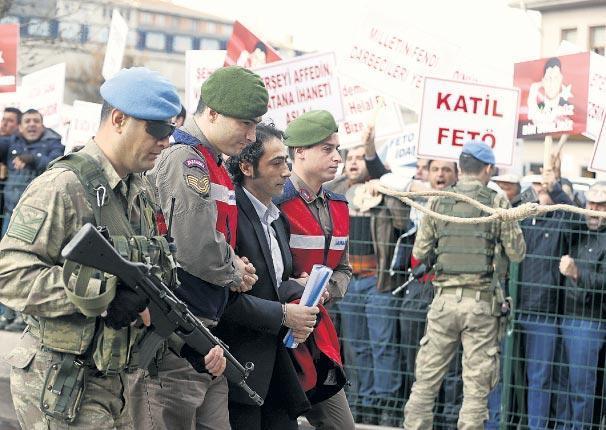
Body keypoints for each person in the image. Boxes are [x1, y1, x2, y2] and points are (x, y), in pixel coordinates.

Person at [0, 67, 225, 429]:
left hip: (118, 383)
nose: (167, 141)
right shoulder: (64, 186)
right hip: (62, 382)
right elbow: (10, 274)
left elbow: (151, 291)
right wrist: (103, 293)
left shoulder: (141, 192)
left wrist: (189, 345)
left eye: (171, 129)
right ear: (119, 119)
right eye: (158, 130)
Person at [129, 65, 267, 430]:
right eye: (245, 124)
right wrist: (234, 271)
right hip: (177, 330)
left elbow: (207, 234)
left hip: (200, 326)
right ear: (213, 113)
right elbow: (193, 246)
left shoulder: (211, 162)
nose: (252, 136)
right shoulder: (187, 159)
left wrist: (233, 262)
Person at [403, 141, 526, 429]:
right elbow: (518, 252)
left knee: (426, 381)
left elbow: (420, 252)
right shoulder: (496, 203)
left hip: (444, 301)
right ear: (487, 169)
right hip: (481, 304)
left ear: (460, 167)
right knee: (476, 388)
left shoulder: (438, 201)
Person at [218, 123, 317, 429]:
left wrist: (298, 289)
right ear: (247, 167)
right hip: (240, 369)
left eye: (287, 161)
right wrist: (283, 314)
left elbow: (273, 284)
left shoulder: (276, 220)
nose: (287, 171)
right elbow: (222, 299)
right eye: (276, 163)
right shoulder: (230, 213)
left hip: (277, 367)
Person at [276, 109, 355, 430]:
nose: (337, 157)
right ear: (300, 153)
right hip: (278, 335)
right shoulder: (276, 201)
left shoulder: (339, 206)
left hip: (317, 337)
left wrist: (327, 290)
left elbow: (345, 269)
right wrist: (296, 289)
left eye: (337, 149)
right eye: (327, 149)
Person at [326, 144, 406, 426]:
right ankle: (364, 401)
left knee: (382, 345)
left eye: (362, 158)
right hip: (349, 283)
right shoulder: (336, 191)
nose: (354, 163)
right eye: (351, 158)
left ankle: (387, 404)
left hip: (377, 282)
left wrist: (383, 186)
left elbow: (401, 220)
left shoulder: (384, 192)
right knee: (356, 346)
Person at [558, 182, 606, 427]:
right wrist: (555, 185)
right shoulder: (581, 230)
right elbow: (565, 213)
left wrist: (577, 274)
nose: (593, 210)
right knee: (565, 385)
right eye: (590, 204)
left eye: (600, 205)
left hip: (589, 320)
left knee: (581, 388)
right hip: (568, 316)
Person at [0, 108, 64, 236]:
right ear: (20, 127)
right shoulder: (12, 141)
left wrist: (33, 159)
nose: (32, 124)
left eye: (36, 121)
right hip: (10, 212)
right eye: (27, 121)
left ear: (43, 126)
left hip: (38, 215)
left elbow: (56, 163)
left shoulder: (54, 144)